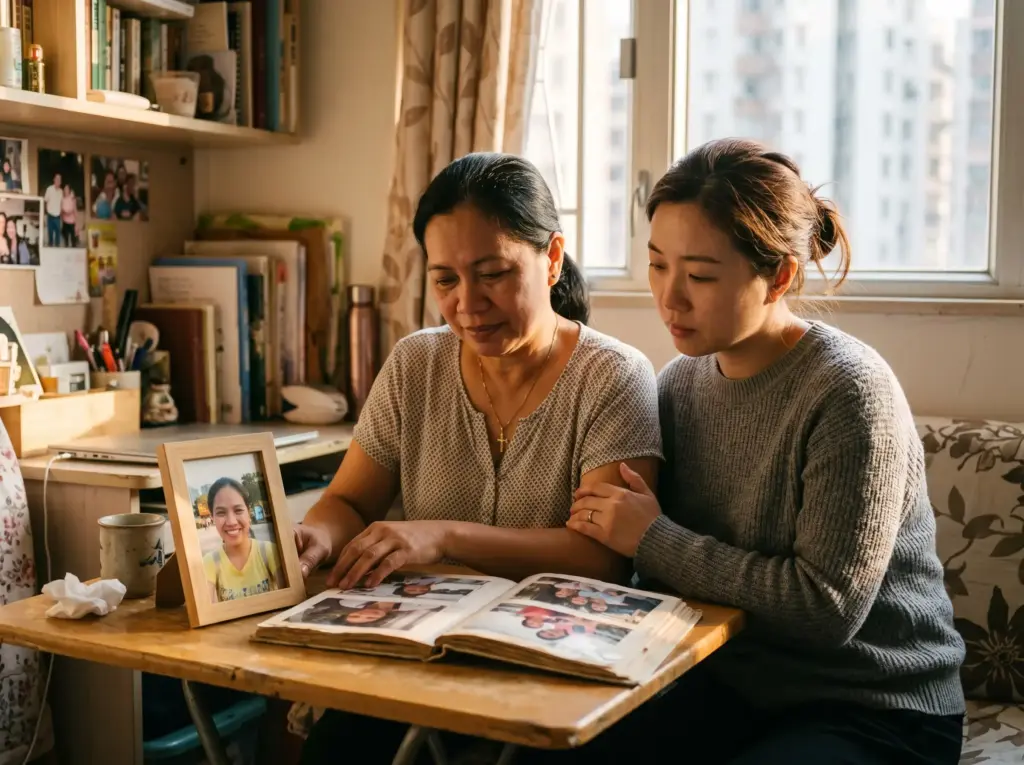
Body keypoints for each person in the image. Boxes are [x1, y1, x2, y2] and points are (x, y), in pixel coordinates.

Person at [561, 138, 966, 764]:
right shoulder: (675, 387)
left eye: (699, 275)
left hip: (875, 706)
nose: (669, 297)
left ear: (779, 275)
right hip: (728, 688)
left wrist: (654, 539)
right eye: (658, 264)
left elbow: (826, 610)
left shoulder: (849, 392)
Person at [297, 152, 662, 764]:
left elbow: (602, 559)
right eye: (445, 280)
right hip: (417, 652)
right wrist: (314, 535)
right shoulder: (416, 364)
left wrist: (442, 536)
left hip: (549, 662)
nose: (467, 303)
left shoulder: (613, 376)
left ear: (551, 258)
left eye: (492, 273)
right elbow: (349, 501)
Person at [201, 477, 284, 602]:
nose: (231, 521)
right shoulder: (210, 562)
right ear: (212, 518)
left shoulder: (269, 551)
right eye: (221, 513)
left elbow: (290, 598)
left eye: (238, 510)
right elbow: (206, 611)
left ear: (249, 512)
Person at [43, 172, 63, 247]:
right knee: (50, 234)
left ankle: (57, 250)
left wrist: (61, 213)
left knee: (58, 235)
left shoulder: (61, 191)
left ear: (61, 181)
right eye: (57, 179)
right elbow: (45, 201)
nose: (58, 180)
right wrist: (45, 213)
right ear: (54, 180)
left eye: (59, 179)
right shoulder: (49, 189)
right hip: (50, 215)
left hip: (57, 216)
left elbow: (61, 203)